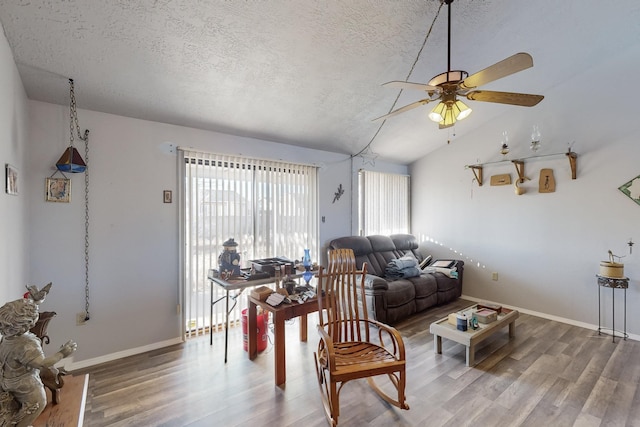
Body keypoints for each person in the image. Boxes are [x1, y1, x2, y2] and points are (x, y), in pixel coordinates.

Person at [0, 298, 76, 427]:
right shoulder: (27, 344)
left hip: (6, 380)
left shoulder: (6, 338)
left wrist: (36, 300)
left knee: (18, 405)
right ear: (27, 324)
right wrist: (62, 353)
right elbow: (42, 364)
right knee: (38, 403)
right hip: (24, 383)